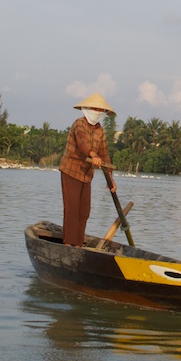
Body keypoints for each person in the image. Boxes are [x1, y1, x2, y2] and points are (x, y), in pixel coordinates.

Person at [58, 93, 116, 246]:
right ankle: (69, 244)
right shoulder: (79, 124)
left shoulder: (99, 130)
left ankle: (78, 244)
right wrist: (93, 155)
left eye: (100, 110)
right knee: (72, 209)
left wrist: (110, 178)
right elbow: (83, 143)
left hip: (86, 175)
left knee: (84, 211)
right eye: (95, 108)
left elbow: (104, 153)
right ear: (88, 108)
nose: (97, 112)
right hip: (71, 170)